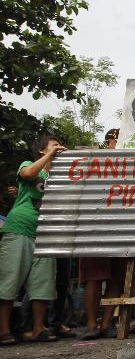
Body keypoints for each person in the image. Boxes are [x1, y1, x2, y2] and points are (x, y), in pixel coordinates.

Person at [0, 135, 66, 345]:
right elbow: (28, 174)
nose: (59, 148)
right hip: (20, 229)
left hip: (46, 235)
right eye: (54, 145)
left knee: (43, 284)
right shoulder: (29, 164)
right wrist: (50, 155)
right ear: (42, 151)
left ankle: (39, 328)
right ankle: (3, 331)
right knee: (9, 281)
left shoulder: (60, 174)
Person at [79, 129, 127, 340]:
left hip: (122, 228)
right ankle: (91, 324)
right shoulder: (94, 164)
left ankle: (106, 323)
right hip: (95, 228)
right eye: (114, 141)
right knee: (94, 278)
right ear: (107, 143)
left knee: (117, 278)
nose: (117, 144)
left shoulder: (130, 165)